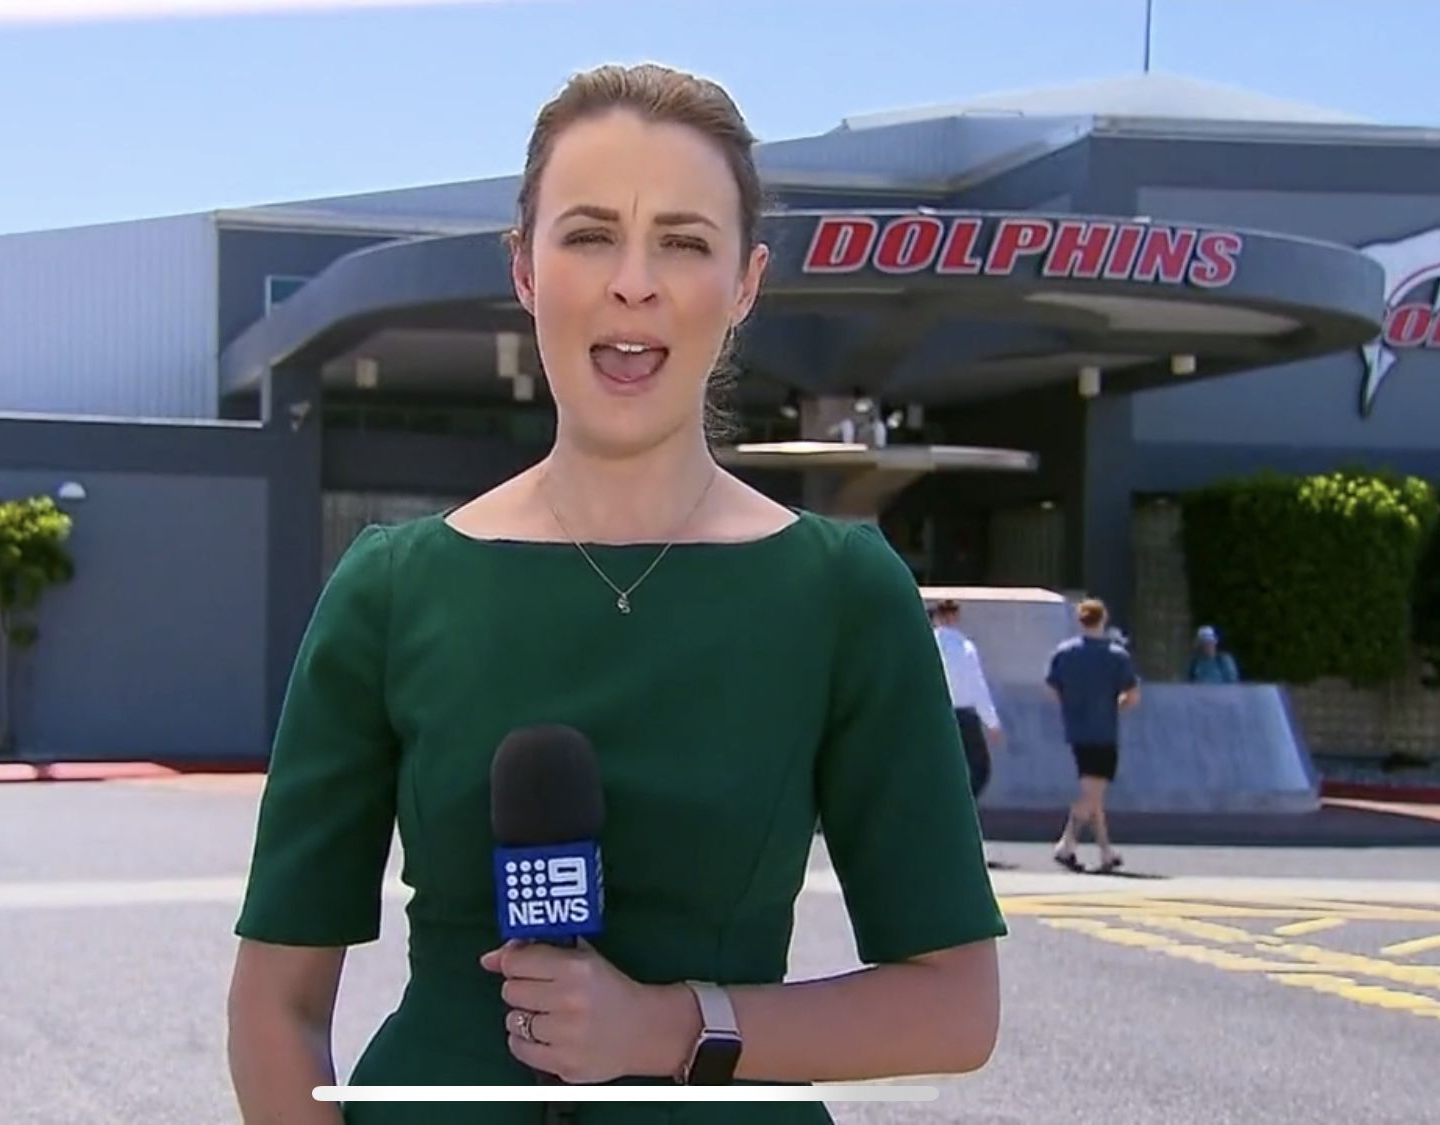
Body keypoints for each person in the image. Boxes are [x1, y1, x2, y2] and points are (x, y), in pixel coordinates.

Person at [226, 62, 1005, 1125]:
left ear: (745, 283)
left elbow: (953, 1006)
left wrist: (670, 1026)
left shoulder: (841, 593)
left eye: (682, 242)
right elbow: (274, 1005)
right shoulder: (392, 590)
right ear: (524, 268)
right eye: (590, 235)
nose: (633, 282)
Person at [1043, 598, 1139, 873]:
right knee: (1093, 792)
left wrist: (1070, 707)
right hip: (1104, 729)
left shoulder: (1064, 653)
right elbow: (1132, 695)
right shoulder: (1116, 656)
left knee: (1093, 792)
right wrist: (1115, 706)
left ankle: (1105, 850)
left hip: (1076, 729)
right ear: (1103, 619)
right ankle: (1066, 843)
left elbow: (1051, 689)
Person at [930, 599, 1002, 800]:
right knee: (979, 768)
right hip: (963, 714)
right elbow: (977, 686)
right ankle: (962, 803)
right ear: (955, 617)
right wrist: (992, 722)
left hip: (933, 714)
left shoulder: (926, 644)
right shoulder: (965, 647)